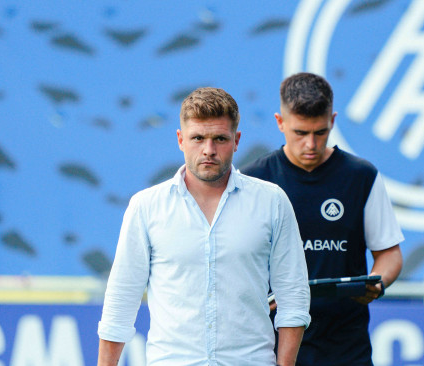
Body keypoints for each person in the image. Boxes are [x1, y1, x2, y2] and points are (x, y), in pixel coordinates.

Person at [97, 87, 311, 366]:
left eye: (219, 139)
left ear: (236, 140)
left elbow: (293, 295)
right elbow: (121, 300)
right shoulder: (146, 207)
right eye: (198, 138)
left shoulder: (271, 201)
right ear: (180, 140)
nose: (208, 150)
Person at [241, 73, 404, 366]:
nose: (311, 144)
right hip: (271, 346)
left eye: (320, 132)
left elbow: (389, 253)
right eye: (300, 133)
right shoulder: (254, 181)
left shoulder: (361, 177)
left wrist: (378, 285)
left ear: (333, 120)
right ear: (280, 122)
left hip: (345, 346)